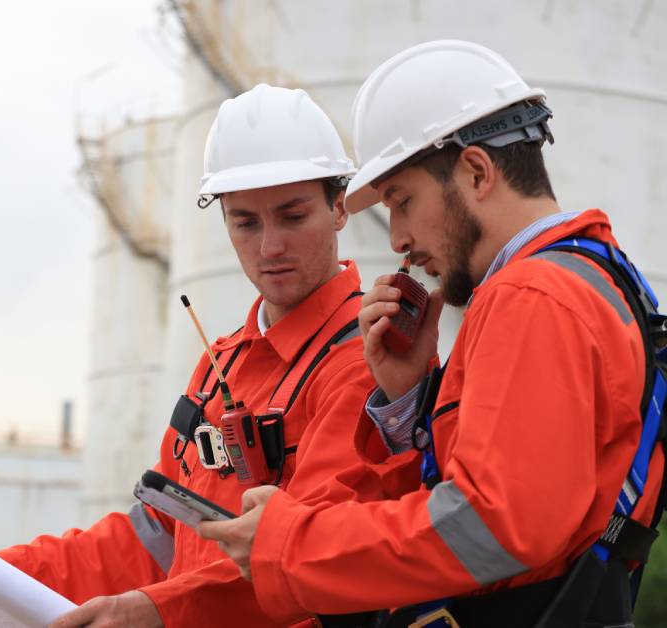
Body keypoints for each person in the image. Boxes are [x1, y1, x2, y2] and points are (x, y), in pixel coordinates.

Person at [198, 39, 666, 627]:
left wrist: (291, 542)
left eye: (402, 200)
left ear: (476, 171)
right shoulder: (598, 274)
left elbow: (494, 525)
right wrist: (409, 398)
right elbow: (535, 502)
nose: (396, 238)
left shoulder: (531, 296)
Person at [0, 83, 416, 627]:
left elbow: (313, 559)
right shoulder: (223, 363)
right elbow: (154, 536)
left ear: (339, 208)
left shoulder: (368, 362)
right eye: (245, 221)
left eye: (292, 216)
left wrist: (155, 612)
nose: (269, 246)